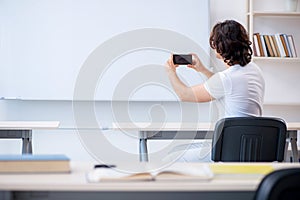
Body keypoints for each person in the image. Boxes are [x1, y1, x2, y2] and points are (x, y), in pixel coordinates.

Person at [164, 20, 265, 162]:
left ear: (219, 47)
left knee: (173, 157)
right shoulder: (254, 70)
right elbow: (225, 87)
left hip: (229, 150)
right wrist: (203, 70)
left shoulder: (226, 78)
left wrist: (170, 72)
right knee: (182, 150)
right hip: (252, 147)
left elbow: (184, 94)